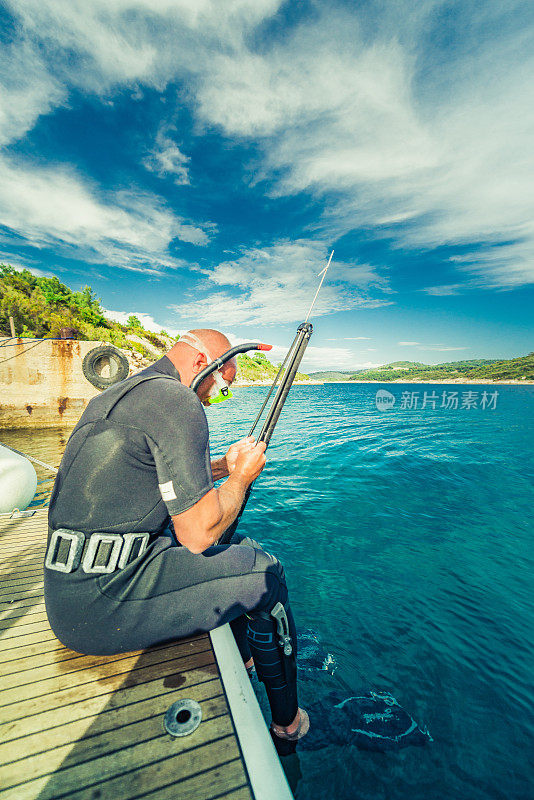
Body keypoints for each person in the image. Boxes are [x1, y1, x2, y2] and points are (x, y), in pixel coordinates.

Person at [44, 328, 309, 743]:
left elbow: (146, 477)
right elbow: (199, 535)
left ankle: (245, 657)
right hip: (103, 605)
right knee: (266, 574)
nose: (215, 398)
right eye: (224, 386)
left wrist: (222, 466)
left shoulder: (117, 396)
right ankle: (288, 722)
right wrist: (241, 477)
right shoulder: (178, 400)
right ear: (204, 364)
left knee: (236, 549)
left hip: (69, 590)